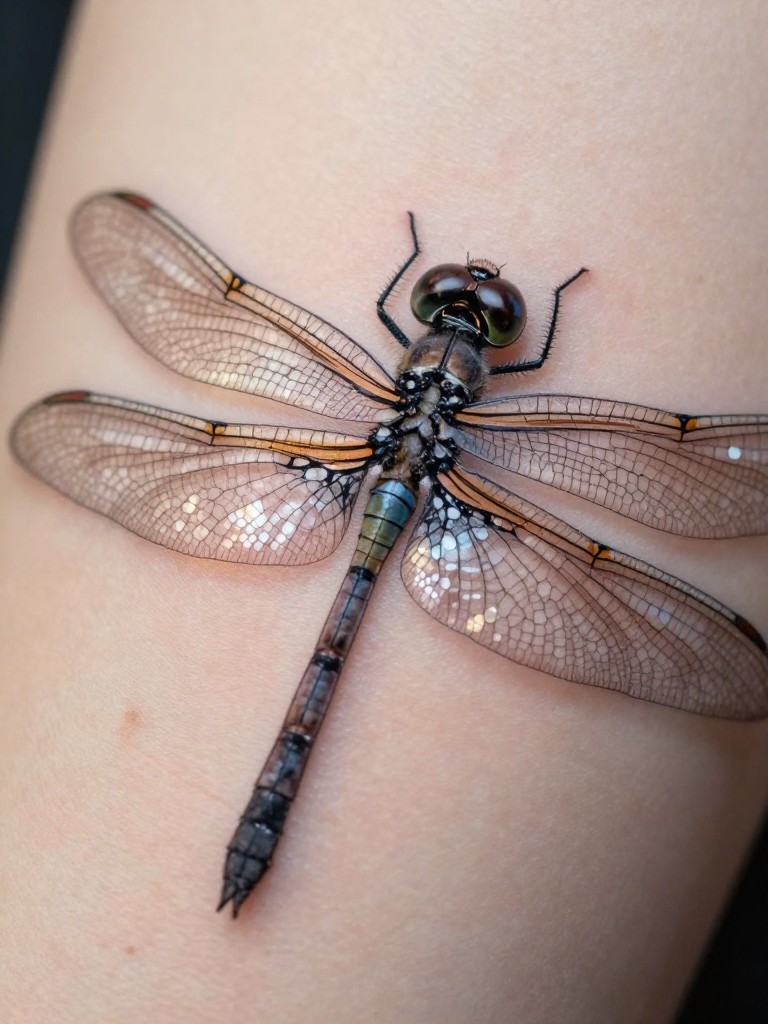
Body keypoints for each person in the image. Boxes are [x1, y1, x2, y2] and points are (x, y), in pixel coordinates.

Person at [1, 3, 766, 1020]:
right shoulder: (500, 379)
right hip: (441, 497)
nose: (468, 309)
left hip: (357, 474)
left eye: (476, 307)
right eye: (460, 302)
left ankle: (260, 829)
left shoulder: (389, 344)